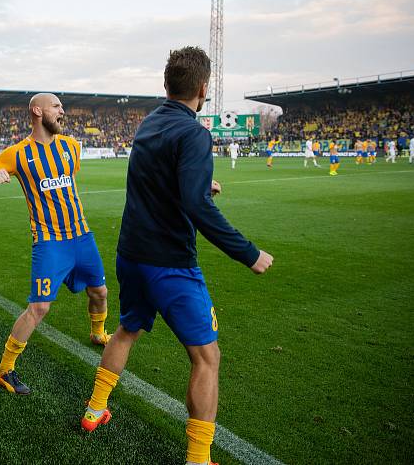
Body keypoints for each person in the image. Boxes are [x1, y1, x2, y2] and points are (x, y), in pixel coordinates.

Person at [80, 47, 273, 465]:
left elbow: (161, 180)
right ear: (204, 88)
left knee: (127, 330)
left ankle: (95, 409)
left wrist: (202, 183)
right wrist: (248, 252)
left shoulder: (148, 123)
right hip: (170, 263)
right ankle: (199, 459)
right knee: (207, 357)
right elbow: (196, 207)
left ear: (166, 84)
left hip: (131, 253)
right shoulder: (195, 133)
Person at [0, 92, 112, 396]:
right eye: (57, 106)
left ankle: (98, 333)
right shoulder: (16, 153)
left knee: (99, 291)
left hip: (81, 235)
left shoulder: (72, 147)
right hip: (49, 241)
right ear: (37, 111)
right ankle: (4, 369)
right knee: (40, 306)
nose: (63, 111)